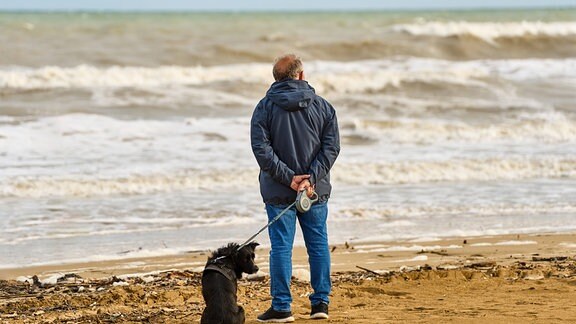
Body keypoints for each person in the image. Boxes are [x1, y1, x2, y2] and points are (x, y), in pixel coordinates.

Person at [250, 54, 340, 322]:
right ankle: (320, 303)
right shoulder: (323, 107)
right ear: (301, 75)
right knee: (318, 245)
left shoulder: (264, 107)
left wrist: (293, 179)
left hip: (282, 190)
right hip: (313, 190)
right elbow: (331, 148)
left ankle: (282, 306)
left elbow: (261, 151)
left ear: (276, 78)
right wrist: (308, 178)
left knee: (281, 248)